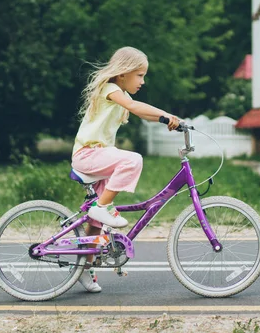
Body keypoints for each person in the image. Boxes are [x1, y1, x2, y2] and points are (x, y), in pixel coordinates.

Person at [71, 46, 180, 292]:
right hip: (88, 155)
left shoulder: (121, 94)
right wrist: (166, 114)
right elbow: (137, 108)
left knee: (95, 224)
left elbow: (144, 114)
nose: (143, 81)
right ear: (123, 73)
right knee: (132, 160)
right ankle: (103, 207)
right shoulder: (111, 89)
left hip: (96, 157)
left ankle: (84, 268)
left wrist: (169, 119)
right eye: (139, 75)